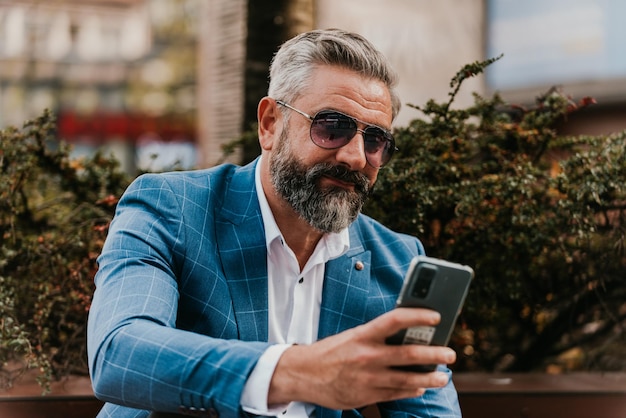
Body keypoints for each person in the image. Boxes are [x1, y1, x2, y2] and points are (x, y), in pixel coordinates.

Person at [87, 28, 462, 418]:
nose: (354, 157)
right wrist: (300, 373)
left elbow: (429, 410)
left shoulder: (397, 261)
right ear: (270, 124)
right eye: (332, 127)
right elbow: (119, 352)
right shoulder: (171, 208)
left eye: (375, 141)